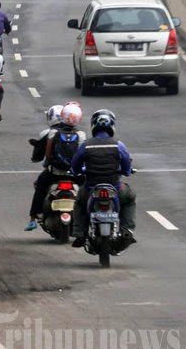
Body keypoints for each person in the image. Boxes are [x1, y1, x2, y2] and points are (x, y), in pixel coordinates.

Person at [70, 109, 136, 249]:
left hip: (90, 188)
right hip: (116, 188)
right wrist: (127, 171)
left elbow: (75, 166)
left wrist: (77, 172)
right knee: (129, 198)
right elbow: (126, 168)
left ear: (93, 125)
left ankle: (79, 233)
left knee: (80, 203)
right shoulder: (118, 145)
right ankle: (127, 230)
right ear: (112, 126)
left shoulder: (86, 145)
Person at [24, 102, 86, 232]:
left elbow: (47, 154)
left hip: (55, 173)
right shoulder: (81, 135)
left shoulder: (53, 133)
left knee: (40, 186)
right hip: (75, 175)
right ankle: (88, 216)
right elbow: (82, 155)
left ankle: (33, 218)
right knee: (87, 189)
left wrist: (47, 165)